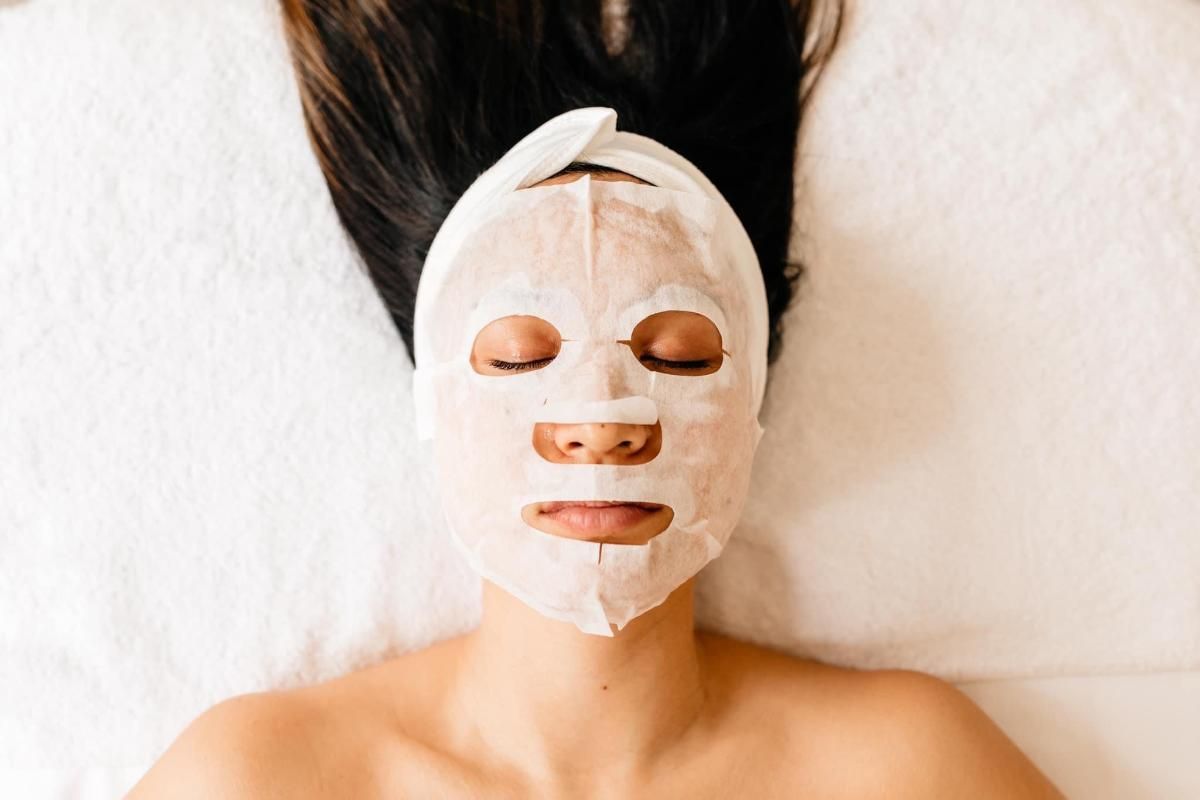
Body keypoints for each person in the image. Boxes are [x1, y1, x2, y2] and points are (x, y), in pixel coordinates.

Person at [128, 2, 1065, 797]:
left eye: (678, 355)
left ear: (751, 403)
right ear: (435, 401)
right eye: (518, 356)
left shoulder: (904, 769)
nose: (599, 422)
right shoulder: (261, 779)